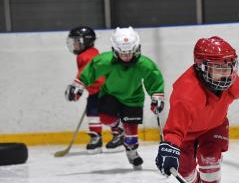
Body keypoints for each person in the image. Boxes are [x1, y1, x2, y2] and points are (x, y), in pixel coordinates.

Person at [155, 36, 239, 183]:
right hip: (186, 135)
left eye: (228, 66)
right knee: (186, 171)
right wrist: (169, 149)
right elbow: (175, 129)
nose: (226, 73)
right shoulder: (187, 93)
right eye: (218, 67)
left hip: (214, 126)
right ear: (201, 66)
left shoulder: (230, 82)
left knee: (210, 158)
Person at [65, 26, 165, 169]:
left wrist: (157, 95)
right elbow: (91, 70)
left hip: (133, 99)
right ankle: (119, 128)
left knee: (131, 136)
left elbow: (153, 79)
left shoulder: (144, 64)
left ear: (137, 49)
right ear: (115, 50)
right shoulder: (105, 61)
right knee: (105, 118)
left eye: (130, 53)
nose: (126, 57)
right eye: (122, 53)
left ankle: (132, 152)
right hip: (110, 94)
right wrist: (79, 85)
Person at [65, 26, 124, 153]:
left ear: (85, 41)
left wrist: (77, 86)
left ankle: (120, 133)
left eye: (77, 41)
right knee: (92, 113)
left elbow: (86, 72)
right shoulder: (85, 54)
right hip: (95, 91)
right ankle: (96, 138)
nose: (74, 44)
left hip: (105, 91)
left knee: (107, 114)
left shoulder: (88, 55)